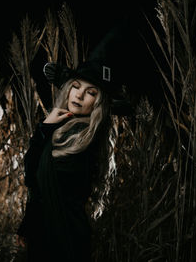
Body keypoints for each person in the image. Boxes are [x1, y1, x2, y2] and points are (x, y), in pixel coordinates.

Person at [15, 57, 131, 261]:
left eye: (91, 92)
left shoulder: (88, 139)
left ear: (99, 103)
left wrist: (44, 130)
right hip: (44, 232)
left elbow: (38, 178)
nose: (79, 95)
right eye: (76, 86)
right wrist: (44, 129)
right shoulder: (60, 129)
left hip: (65, 237)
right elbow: (35, 181)